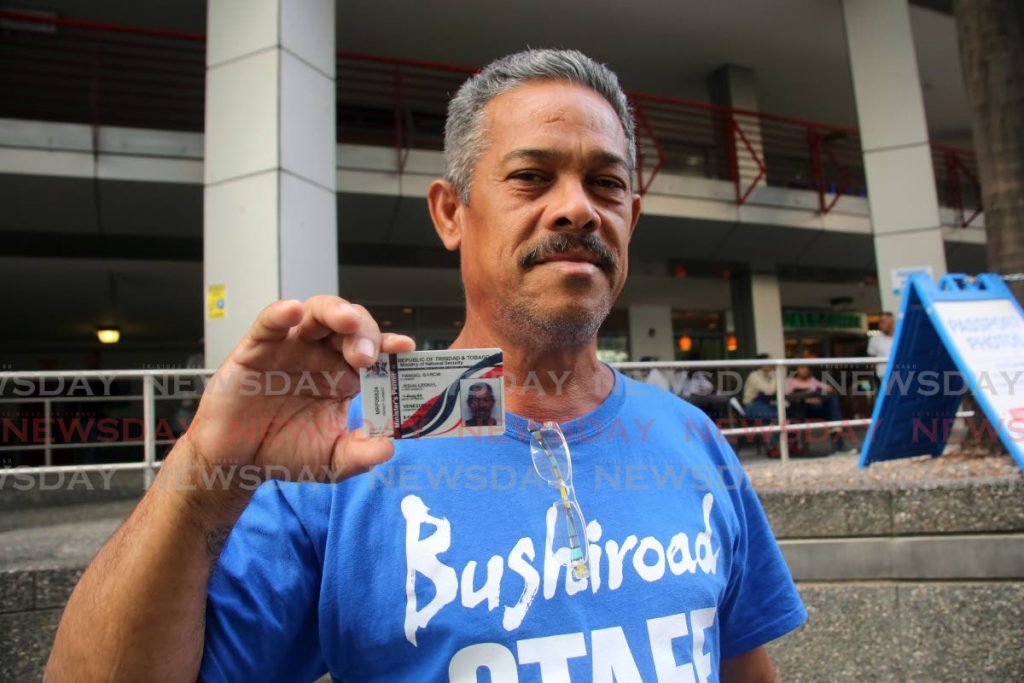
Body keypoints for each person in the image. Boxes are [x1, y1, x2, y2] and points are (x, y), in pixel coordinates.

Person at [47, 49, 805, 682]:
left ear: (630, 221)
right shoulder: (346, 448)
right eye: (531, 176)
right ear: (450, 212)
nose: (577, 208)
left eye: (606, 183)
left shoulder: (691, 437)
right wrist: (208, 472)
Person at [785, 363, 851, 453]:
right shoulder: (791, 381)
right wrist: (805, 395)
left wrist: (820, 392)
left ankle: (838, 439)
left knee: (832, 402)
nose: (804, 370)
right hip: (801, 409)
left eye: (806, 368)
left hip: (816, 408)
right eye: (802, 368)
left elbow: (828, 388)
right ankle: (836, 428)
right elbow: (788, 396)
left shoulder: (812, 380)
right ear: (796, 369)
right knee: (795, 412)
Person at [867, 311, 895, 379]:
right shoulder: (874, 339)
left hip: (903, 375)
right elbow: (871, 361)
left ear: (892, 322)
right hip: (883, 377)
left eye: (883, 322)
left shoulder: (901, 336)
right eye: (879, 322)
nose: (880, 325)